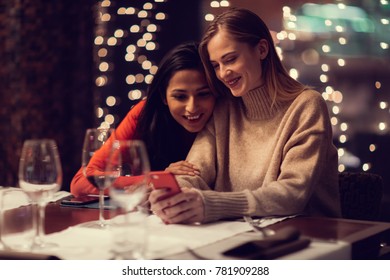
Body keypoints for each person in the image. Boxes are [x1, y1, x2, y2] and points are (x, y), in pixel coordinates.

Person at [149, 7, 341, 224]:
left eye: (230, 59)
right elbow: (194, 172)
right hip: (240, 232)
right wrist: (176, 195)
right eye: (215, 66)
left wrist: (212, 204)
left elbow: (292, 194)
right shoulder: (224, 108)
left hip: (310, 236)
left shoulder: (306, 105)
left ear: (261, 50)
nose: (223, 73)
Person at [70, 42, 216, 197]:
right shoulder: (144, 115)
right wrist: (157, 179)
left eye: (203, 94)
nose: (191, 107)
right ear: (163, 97)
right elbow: (81, 182)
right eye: (180, 96)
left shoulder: (228, 116)